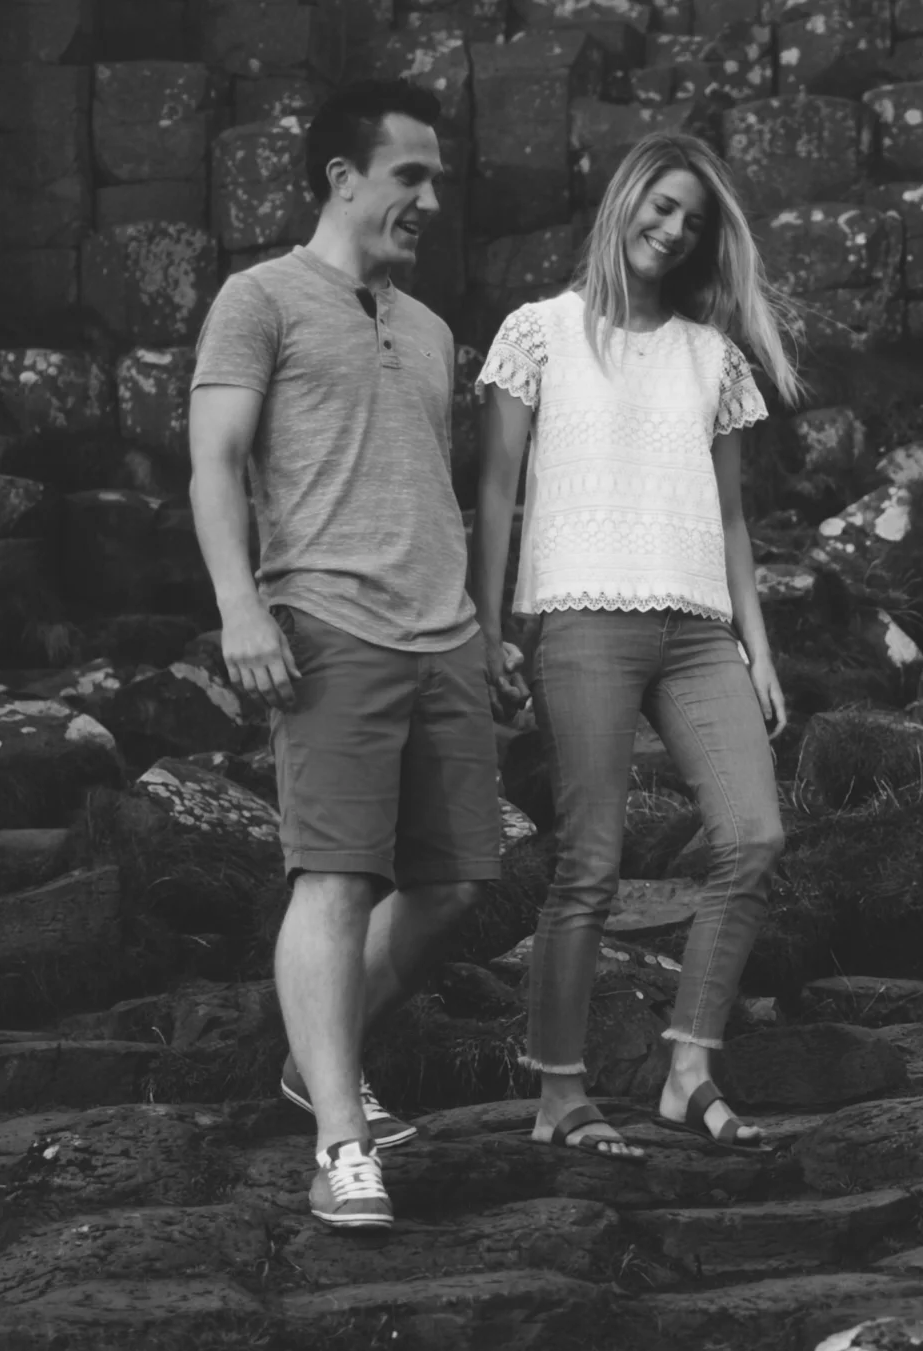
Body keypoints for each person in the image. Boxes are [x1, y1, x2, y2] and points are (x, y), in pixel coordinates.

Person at [188, 79, 498, 1231]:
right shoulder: (257, 297)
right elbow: (214, 461)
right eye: (411, 174)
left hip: (447, 632)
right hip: (324, 623)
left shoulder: (428, 329)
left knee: (454, 884)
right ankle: (339, 1137)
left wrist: (485, 623)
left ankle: (313, 1059)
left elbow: (432, 480)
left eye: (437, 177)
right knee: (334, 875)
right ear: (344, 178)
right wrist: (242, 607)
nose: (431, 196)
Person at [471, 132, 801, 1161]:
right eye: (661, 207)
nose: (673, 230)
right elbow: (494, 492)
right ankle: (560, 1092)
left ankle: (687, 1065)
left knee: (752, 836)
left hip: (700, 628)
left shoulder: (714, 355)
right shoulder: (540, 332)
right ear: (623, 203)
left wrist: (760, 645)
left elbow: (735, 518)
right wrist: (487, 631)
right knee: (592, 864)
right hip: (580, 617)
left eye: (694, 221)